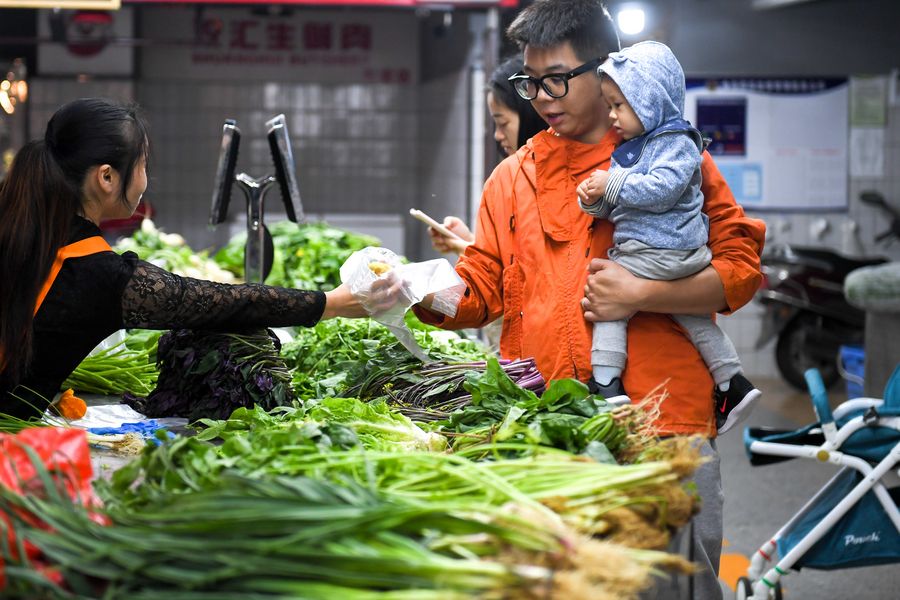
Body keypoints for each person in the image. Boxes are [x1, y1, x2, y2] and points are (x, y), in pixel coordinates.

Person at [412, 1, 766, 598]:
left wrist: (643, 293)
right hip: (553, 424)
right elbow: (482, 290)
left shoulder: (675, 159)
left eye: (556, 79)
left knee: (680, 581)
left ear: (606, 72)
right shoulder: (512, 178)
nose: (541, 97)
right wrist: (419, 290)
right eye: (531, 81)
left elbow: (740, 270)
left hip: (664, 420)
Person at [0, 98, 388, 419]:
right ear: (107, 177)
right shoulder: (96, 275)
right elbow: (218, 303)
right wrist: (332, 303)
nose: (145, 177)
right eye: (142, 165)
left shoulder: (25, 231)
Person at [575, 41, 761, 434]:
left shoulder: (677, 142)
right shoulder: (637, 146)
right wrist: (595, 201)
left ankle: (606, 384)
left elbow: (660, 191)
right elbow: (624, 202)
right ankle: (733, 383)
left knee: (609, 300)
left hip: (663, 251)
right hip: (663, 253)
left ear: (649, 102)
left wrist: (612, 181)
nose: (612, 117)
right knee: (694, 320)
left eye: (619, 106)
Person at [428, 56, 548, 254]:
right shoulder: (509, 176)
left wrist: (469, 249)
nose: (497, 135)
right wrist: (469, 242)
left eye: (503, 123)